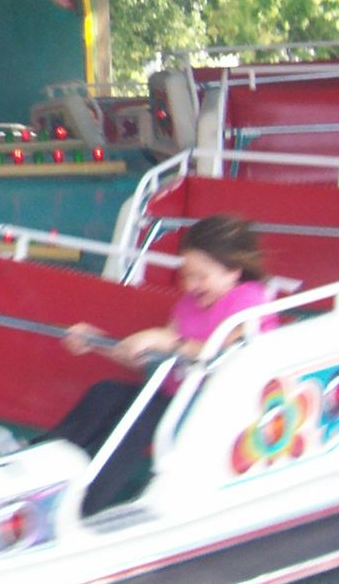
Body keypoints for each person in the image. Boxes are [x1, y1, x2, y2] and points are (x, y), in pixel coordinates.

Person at [52, 215, 271, 516]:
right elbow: (150, 354)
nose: (191, 285)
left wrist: (168, 342)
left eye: (201, 276)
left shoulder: (249, 300)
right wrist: (96, 341)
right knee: (105, 394)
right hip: (172, 396)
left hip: (215, 408)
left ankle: (83, 508)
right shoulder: (188, 304)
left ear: (233, 271)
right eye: (187, 276)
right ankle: (39, 463)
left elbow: (230, 353)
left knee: (138, 423)